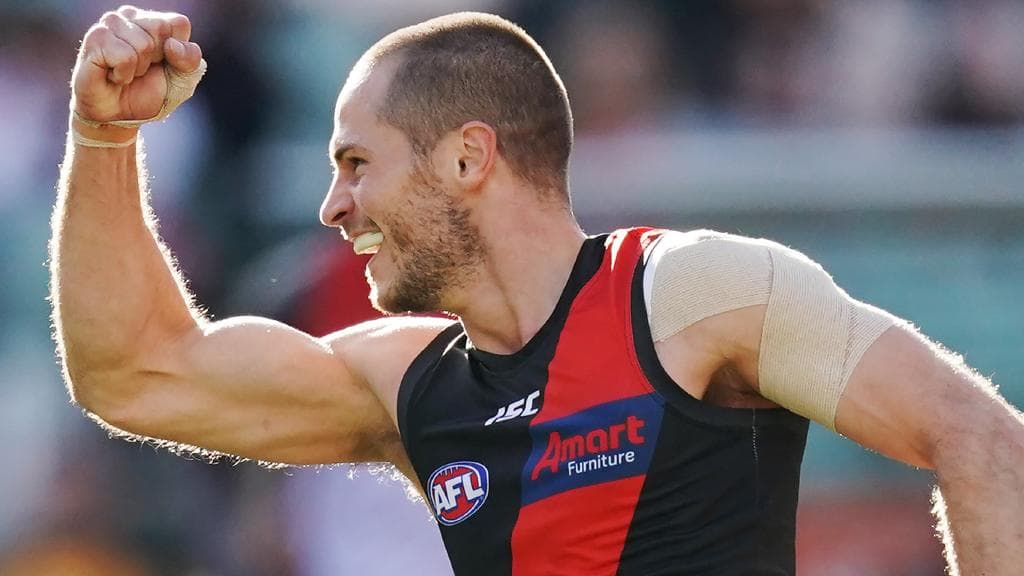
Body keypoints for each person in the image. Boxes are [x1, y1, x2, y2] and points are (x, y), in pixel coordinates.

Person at [50, 6, 1023, 575]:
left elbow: (978, 436)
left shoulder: (692, 292)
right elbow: (136, 377)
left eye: (356, 163)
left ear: (468, 157)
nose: (333, 207)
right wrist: (103, 138)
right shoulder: (410, 388)